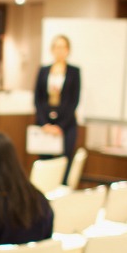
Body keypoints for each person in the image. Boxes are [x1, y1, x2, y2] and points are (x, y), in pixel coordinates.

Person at [34, 35, 81, 183]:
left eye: (63, 47)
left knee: (64, 161)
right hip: (46, 122)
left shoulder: (74, 72)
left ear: (68, 50)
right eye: (56, 47)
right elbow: (38, 98)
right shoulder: (44, 70)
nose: (59, 51)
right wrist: (45, 124)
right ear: (52, 50)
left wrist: (60, 126)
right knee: (45, 162)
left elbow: (74, 100)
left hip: (66, 124)